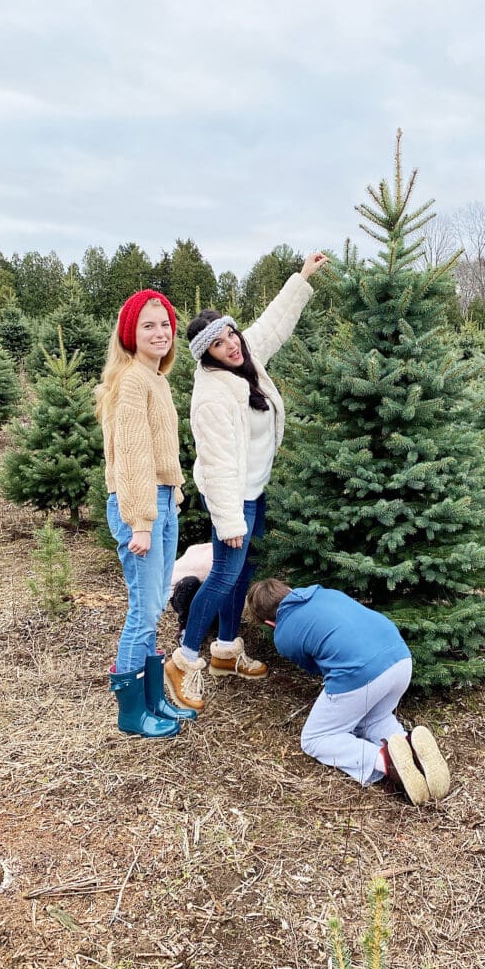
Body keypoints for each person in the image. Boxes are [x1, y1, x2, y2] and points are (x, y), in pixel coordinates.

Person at [165, 252, 329, 710]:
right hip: (233, 501)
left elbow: (273, 325)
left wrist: (302, 278)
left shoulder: (244, 360)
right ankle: (183, 659)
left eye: (230, 335)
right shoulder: (212, 397)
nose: (231, 345)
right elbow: (215, 466)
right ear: (207, 356)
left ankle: (226, 650)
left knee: (245, 573)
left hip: (254, 495)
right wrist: (229, 520)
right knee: (222, 576)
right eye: (218, 345)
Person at [245, 579, 451, 805]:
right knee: (374, 717)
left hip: (362, 674)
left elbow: (315, 668)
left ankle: (385, 760)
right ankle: (408, 746)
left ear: (268, 622)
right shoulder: (324, 593)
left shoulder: (283, 635)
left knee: (314, 739)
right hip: (400, 659)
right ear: (289, 590)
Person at [96, 289, 197, 738]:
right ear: (130, 334)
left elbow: (158, 451)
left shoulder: (156, 378)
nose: (160, 333)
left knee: (155, 604)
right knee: (143, 609)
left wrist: (171, 495)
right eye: (148, 326)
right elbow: (132, 456)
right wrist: (141, 520)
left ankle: (154, 699)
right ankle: (131, 713)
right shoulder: (133, 380)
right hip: (141, 505)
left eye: (165, 325)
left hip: (160, 500)